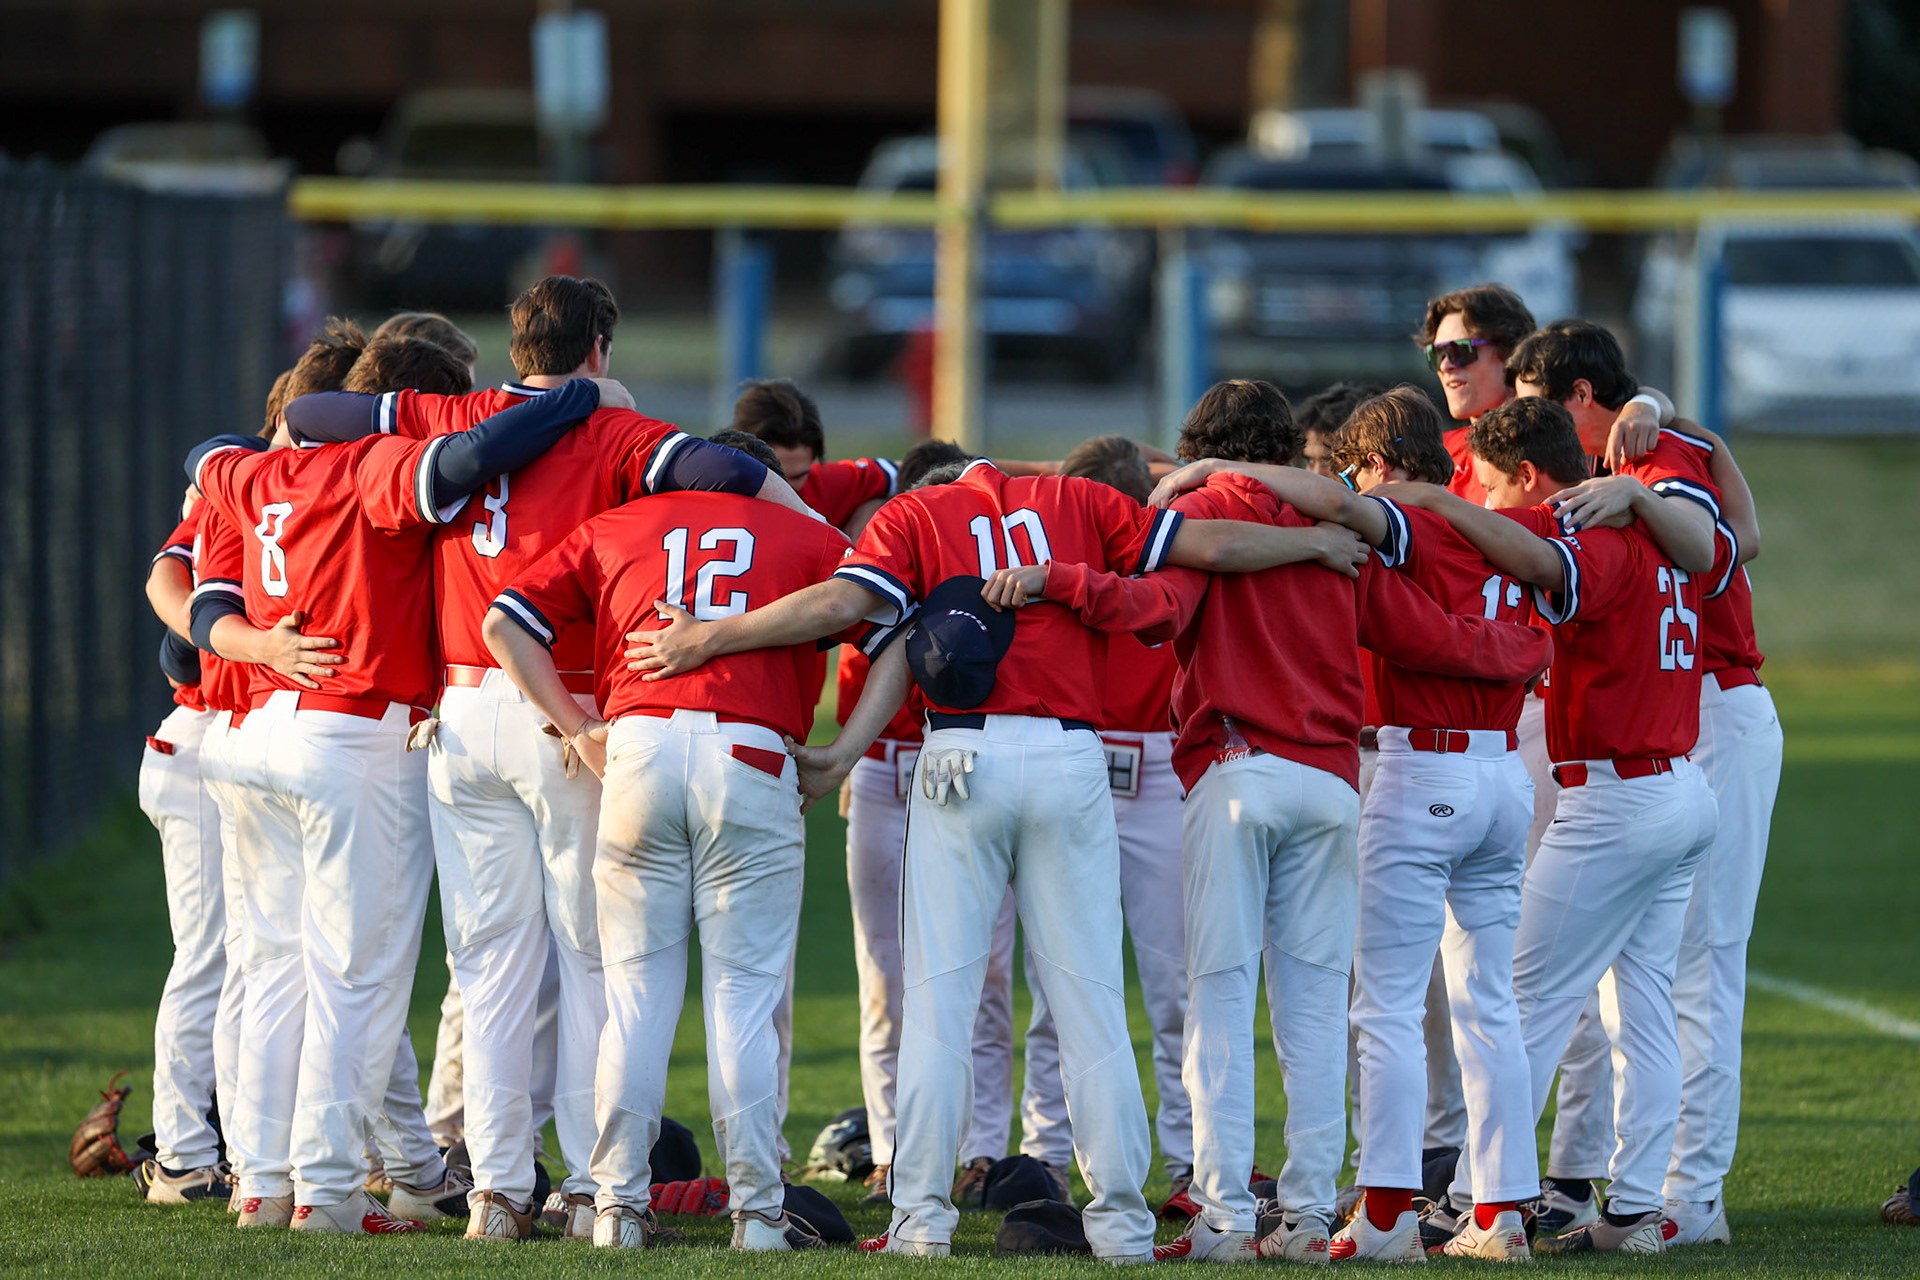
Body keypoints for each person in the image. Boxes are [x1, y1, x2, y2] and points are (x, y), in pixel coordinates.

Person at [620, 438, 1380, 1259]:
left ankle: (921, 1220)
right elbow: (1217, 547)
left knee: (941, 1002)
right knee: (1089, 1000)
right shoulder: (1081, 503)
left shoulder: (918, 512)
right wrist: (1314, 541)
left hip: (961, 760)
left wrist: (709, 640)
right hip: (1071, 756)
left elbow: (847, 607)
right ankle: (1121, 1224)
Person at [1069, 380, 1547, 1263]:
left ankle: (1222, 1213)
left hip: (1236, 769)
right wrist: (1527, 649)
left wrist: (1067, 591)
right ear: (1288, 446)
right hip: (1332, 781)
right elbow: (1431, 636)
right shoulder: (1339, 529)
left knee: (1218, 1000)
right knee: (1318, 1009)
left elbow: (1155, 613)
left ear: (1201, 442)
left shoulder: (1198, 507)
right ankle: (1305, 1215)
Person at [188, 341, 602, 1234]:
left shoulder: (248, 469)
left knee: (272, 972)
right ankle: (328, 1191)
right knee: (358, 979)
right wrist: (570, 400)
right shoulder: (366, 463)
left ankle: (262, 1183)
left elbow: (202, 456)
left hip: (257, 731)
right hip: (349, 732)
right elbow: (461, 459)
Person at [482, 431, 852, 1252]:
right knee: (744, 1002)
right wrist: (848, 749)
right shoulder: (804, 533)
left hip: (640, 749)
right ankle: (757, 1214)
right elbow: (880, 610)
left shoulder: (621, 523)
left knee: (635, 1000)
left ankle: (617, 1207)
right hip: (753, 754)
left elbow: (504, 623)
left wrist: (577, 727)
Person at [1377, 394, 1723, 1254]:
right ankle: (1638, 1209)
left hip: (1618, 797)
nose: (1485, 501)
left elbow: (1539, 559)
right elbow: (1724, 544)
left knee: (1516, 998)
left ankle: (1473, 1203)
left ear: (1528, 475)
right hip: (1676, 784)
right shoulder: (1652, 522)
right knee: (1640, 1008)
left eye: (1492, 486)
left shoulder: (1592, 533)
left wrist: (1439, 503)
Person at [1510, 320, 1777, 1246]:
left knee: (1697, 968)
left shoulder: (1649, 451)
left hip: (1711, 711)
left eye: (1534, 399)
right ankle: (1635, 1194)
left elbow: (1714, 542)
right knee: (1642, 982)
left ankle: (1687, 1196)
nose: (1522, 419)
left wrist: (1639, 448)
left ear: (1580, 396)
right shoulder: (1643, 446)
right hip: (1664, 720)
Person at [827, 439, 1027, 1209]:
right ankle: (891, 1149)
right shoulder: (878, 557)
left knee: (987, 973)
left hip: (970, 766)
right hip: (885, 771)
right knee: (885, 978)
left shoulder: (988, 557)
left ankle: (980, 1151)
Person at [1013, 436, 1196, 1210]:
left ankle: (1191, 1161)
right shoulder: (1042, 563)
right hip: (1079, 762)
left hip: (1157, 765)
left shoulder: (1163, 557)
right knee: (1059, 982)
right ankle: (1046, 1155)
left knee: (1174, 985)